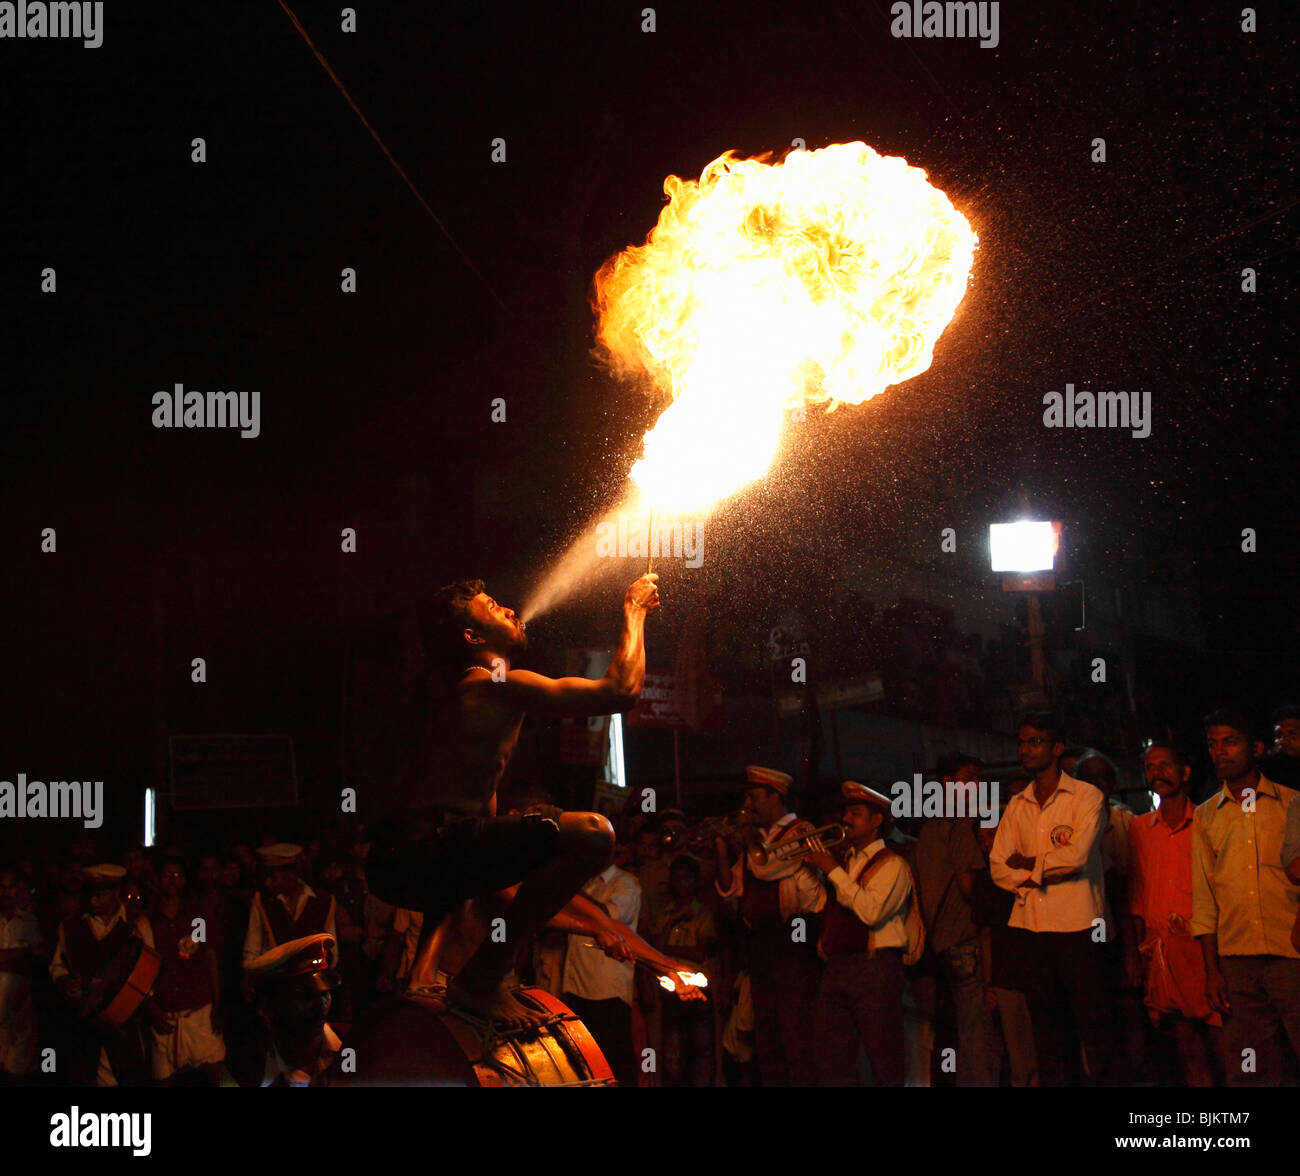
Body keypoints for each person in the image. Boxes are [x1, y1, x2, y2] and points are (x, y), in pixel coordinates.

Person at [367, 574, 659, 1028]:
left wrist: (597, 926)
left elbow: (489, 880)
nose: (507, 608)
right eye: (491, 606)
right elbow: (621, 691)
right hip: (416, 853)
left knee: (469, 852)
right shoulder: (492, 683)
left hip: (410, 859)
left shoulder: (471, 705)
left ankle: (424, 974)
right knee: (594, 833)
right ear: (473, 637)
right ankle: (482, 979)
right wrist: (635, 610)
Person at [989, 712, 1113, 1086]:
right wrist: (1041, 870)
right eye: (1022, 742)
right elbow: (997, 866)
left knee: (1094, 1028)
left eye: (1035, 741)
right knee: (1047, 1029)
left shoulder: (1086, 796)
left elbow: (1075, 859)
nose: (1025, 750)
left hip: (1079, 927)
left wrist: (1027, 865)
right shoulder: (1018, 804)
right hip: (1033, 928)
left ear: (1057, 748)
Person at [1192, 708, 1300, 1086]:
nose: (1220, 752)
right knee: (1251, 1067)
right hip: (1237, 959)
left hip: (1291, 952)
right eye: (1213, 744)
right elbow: (1205, 899)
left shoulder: (1291, 804)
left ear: (1256, 748)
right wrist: (1211, 971)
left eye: (1230, 742)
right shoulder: (1206, 816)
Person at [805, 781, 923, 1087]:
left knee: (883, 1057)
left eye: (855, 813)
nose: (846, 819)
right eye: (846, 812)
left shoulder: (892, 864)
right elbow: (818, 905)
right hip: (838, 966)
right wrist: (811, 871)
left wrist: (831, 871)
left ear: (877, 821)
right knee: (834, 1058)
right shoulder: (844, 863)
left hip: (875, 967)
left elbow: (871, 912)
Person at [714, 765, 825, 1086]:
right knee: (767, 1035)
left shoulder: (800, 831)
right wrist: (721, 849)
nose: (749, 804)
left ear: (776, 796)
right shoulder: (757, 842)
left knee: (795, 1033)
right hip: (760, 947)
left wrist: (745, 842)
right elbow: (729, 889)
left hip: (793, 942)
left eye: (755, 796)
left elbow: (767, 871)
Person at [1129, 741, 1223, 1085]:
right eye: (1151, 767)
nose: (1157, 773)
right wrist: (1136, 952)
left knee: (1224, 1043)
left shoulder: (1207, 821)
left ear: (1184, 772)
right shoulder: (1139, 829)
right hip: (1163, 952)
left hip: (1204, 951)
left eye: (1165, 765)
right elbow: (1137, 894)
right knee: (1188, 1049)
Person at [911, 752, 1002, 1086]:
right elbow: (969, 886)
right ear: (947, 783)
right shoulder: (963, 823)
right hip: (968, 941)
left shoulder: (928, 829)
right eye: (969, 778)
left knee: (956, 1032)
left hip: (940, 944)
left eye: (979, 779)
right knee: (977, 1033)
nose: (977, 786)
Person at [49, 864, 154, 1086]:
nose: (94, 901)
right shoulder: (69, 926)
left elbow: (149, 974)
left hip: (123, 1026)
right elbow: (58, 966)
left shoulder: (135, 927)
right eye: (91, 894)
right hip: (83, 1026)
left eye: (101, 895)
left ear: (116, 893)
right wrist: (66, 982)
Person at [560, 857, 641, 1086]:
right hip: (577, 986)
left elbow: (608, 918)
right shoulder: (585, 883)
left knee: (613, 1066)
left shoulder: (625, 883)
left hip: (606, 991)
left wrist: (567, 889)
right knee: (583, 1066)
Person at [147, 857, 226, 1084]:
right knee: (164, 1078)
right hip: (166, 1011)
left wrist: (216, 1004)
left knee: (211, 1072)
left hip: (199, 1008)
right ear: (158, 880)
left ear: (184, 880)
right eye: (167, 875)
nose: (172, 880)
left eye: (177, 875)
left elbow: (210, 958)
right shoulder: (149, 921)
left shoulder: (196, 918)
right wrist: (152, 1010)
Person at [235, 933, 343, 1087]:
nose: (321, 1004)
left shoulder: (353, 1051)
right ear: (269, 1004)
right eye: (306, 996)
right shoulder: (247, 1065)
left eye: (325, 993)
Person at [242, 844, 338, 974]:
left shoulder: (323, 901)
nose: (268, 882)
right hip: (276, 983)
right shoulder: (263, 900)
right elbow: (252, 951)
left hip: (312, 983)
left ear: (290, 873)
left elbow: (332, 953)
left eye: (272, 876)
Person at [0, 865, 44, 1082]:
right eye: (2, 887)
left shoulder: (30, 922)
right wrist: (22, 952)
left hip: (20, 1017)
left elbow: (35, 965)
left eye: (11, 887)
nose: (6, 893)